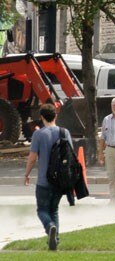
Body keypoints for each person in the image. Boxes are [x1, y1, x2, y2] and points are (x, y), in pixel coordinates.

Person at [24, 105, 63, 250]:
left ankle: (49, 226)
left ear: (41, 117)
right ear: (55, 116)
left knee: (42, 210)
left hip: (44, 180)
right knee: (54, 210)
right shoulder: (64, 132)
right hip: (60, 180)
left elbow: (32, 157)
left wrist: (27, 173)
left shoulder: (38, 135)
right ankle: (55, 240)